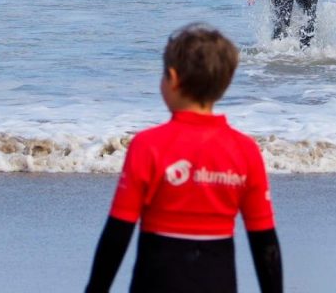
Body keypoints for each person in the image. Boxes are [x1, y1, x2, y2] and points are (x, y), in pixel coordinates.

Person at [84, 24, 283, 293]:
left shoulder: (148, 146)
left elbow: (117, 234)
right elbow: (265, 244)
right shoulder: (245, 151)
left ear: (173, 79)